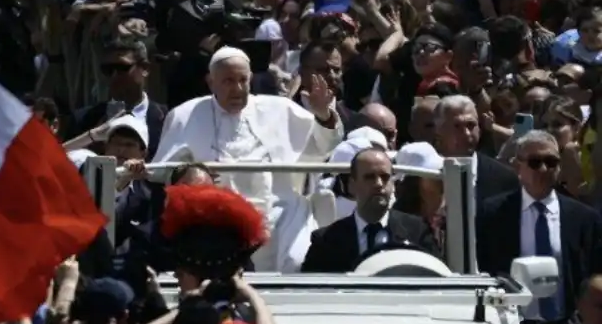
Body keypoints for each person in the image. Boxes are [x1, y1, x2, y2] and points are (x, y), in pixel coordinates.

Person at [154, 46, 343, 271]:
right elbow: (163, 171)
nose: (238, 89)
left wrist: (323, 117)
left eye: (243, 80)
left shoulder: (279, 109)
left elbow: (318, 151)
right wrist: (191, 173)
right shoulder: (185, 115)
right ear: (211, 82)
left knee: (297, 263)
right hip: (220, 218)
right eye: (228, 81)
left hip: (281, 211)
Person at [477, 130, 602, 321]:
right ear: (518, 167)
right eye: (535, 162)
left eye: (551, 162)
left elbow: (593, 281)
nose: (544, 169)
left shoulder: (584, 219)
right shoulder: (493, 213)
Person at [301, 148, 440, 273]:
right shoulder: (326, 241)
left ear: (393, 184)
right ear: (351, 185)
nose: (379, 184)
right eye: (369, 177)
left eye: (385, 177)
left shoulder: (417, 232)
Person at [67, 38, 167, 161]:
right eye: (108, 70)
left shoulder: (166, 120)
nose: (114, 76)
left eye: (122, 68)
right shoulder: (83, 120)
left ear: (145, 68)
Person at [434, 95, 520, 204]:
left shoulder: (504, 179)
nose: (466, 134)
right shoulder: (424, 174)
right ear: (439, 132)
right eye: (457, 126)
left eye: (471, 125)